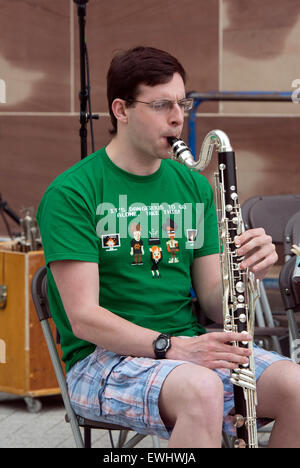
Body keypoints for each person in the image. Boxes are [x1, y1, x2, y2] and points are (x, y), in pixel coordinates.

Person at [37, 46, 300, 448]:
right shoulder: (73, 192)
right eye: (161, 105)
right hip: (101, 361)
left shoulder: (193, 185)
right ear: (121, 110)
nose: (178, 117)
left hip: (188, 347)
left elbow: (215, 303)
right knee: (202, 390)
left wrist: (245, 272)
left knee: (297, 386)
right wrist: (174, 348)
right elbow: (84, 318)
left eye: (182, 102)